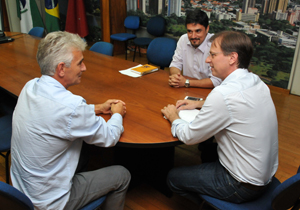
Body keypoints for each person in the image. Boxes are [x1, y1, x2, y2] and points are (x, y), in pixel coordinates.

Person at [10, 31, 131, 210]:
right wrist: (117, 114)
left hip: (21, 192)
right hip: (49, 203)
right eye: (80, 63)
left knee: (83, 152)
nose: (84, 68)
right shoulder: (72, 106)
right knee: (122, 175)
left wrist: (95, 108)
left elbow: (57, 114)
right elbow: (109, 137)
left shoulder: (30, 86)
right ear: (61, 68)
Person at [161, 31, 278, 204]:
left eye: (213, 55)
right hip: (265, 175)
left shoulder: (223, 94)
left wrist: (173, 117)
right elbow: (236, 105)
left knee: (172, 177)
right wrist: (200, 103)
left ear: (232, 58)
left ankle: (210, 206)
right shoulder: (256, 82)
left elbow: (189, 137)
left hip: (242, 185)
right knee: (208, 149)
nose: (208, 60)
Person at [168, 9, 222, 88]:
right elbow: (175, 64)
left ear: (207, 29)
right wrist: (176, 77)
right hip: (186, 88)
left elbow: (216, 81)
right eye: (189, 31)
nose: (193, 36)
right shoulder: (183, 39)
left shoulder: (216, 44)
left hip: (208, 92)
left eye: (198, 31)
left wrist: (186, 82)